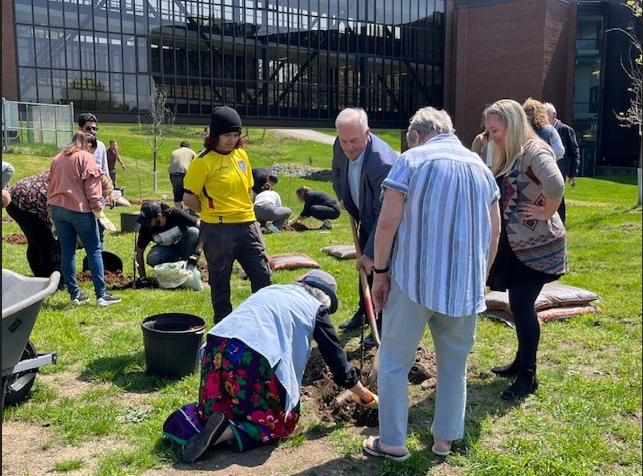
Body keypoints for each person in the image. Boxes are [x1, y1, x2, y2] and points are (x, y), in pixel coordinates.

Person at [364, 106, 500, 461]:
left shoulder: (412, 160)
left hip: (413, 280)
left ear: (416, 135)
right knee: (454, 366)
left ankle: (392, 442)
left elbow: (387, 223)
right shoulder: (481, 169)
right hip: (464, 285)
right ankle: (444, 441)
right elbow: (494, 230)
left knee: (394, 360)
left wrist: (380, 273)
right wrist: (479, 276)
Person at [163, 269, 378, 463]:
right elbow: (336, 358)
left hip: (216, 349)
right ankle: (225, 432)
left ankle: (185, 424)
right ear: (325, 300)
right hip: (252, 358)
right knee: (280, 422)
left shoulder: (272, 291)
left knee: (217, 406)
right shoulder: (315, 309)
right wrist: (362, 393)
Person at [483, 99, 567, 400]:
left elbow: (555, 184)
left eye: (495, 130)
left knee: (521, 306)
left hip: (539, 245)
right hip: (518, 242)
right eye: (489, 131)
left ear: (513, 123)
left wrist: (546, 212)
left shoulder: (535, 150)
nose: (492, 136)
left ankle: (528, 376)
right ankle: (521, 362)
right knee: (520, 305)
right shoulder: (514, 150)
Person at [183, 106, 272, 323]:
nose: (232, 140)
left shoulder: (242, 155)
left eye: (236, 135)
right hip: (218, 229)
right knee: (220, 281)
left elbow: (248, 188)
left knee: (263, 275)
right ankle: (223, 328)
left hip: (248, 225)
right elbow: (188, 198)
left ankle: (261, 321)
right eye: (227, 135)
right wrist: (212, 214)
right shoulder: (203, 162)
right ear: (214, 136)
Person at [331, 107, 397, 341]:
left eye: (355, 141)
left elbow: (384, 217)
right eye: (344, 140)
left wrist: (371, 253)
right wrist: (342, 198)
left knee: (378, 269)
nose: (348, 147)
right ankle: (363, 312)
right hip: (363, 214)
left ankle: (379, 323)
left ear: (367, 133)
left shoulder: (382, 164)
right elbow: (337, 172)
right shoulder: (340, 145)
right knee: (363, 268)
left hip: (386, 224)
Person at [47, 132, 121, 307]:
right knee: (94, 250)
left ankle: (75, 296)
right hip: (78, 209)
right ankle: (101, 295)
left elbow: (50, 184)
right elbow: (93, 187)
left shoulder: (57, 158)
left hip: (57, 208)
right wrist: (98, 210)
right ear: (88, 146)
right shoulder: (86, 157)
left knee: (68, 251)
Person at [4, 170, 62, 280]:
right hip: (24, 203)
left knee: (36, 243)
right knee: (48, 243)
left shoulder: (65, 167)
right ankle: (52, 279)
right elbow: (53, 213)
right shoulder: (71, 184)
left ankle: (40, 276)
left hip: (17, 197)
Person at [135, 201, 202, 278]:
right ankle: (172, 269)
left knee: (194, 232)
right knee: (152, 258)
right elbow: (139, 251)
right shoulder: (146, 228)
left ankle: (189, 265)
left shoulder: (176, 214)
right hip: (166, 250)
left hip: (185, 246)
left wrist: (198, 250)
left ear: (159, 216)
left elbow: (201, 227)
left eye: (149, 221)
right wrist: (142, 276)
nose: (146, 224)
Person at [544, 102, 581, 224]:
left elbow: (574, 153)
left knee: (558, 197)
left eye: (545, 115)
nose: (542, 119)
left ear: (554, 115)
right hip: (543, 171)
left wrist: (572, 174)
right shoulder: (541, 131)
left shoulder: (565, 130)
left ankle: (560, 224)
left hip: (559, 170)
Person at [77, 112, 110, 247]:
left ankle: (98, 254)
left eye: (94, 129)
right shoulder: (71, 146)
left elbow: (104, 168)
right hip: (80, 194)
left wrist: (109, 192)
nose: (92, 131)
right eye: (88, 128)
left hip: (99, 193)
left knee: (99, 228)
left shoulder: (100, 146)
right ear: (80, 129)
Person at [168, 140, 197, 209]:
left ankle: (178, 210)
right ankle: (187, 210)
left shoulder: (174, 152)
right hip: (184, 172)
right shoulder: (191, 152)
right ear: (189, 146)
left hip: (173, 173)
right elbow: (196, 164)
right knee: (187, 191)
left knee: (177, 192)